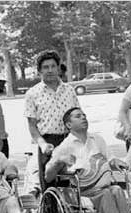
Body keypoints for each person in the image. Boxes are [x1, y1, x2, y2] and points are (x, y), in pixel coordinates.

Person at [44, 108, 131, 213]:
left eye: (84, 115)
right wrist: (59, 161)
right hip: (81, 190)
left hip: (102, 185)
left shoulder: (97, 139)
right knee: (107, 193)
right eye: (78, 116)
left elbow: (110, 159)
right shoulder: (65, 146)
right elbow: (48, 177)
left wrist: (116, 162)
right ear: (69, 125)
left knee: (116, 190)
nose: (84, 117)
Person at [24, 50, 81, 197]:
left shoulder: (69, 90)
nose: (50, 70)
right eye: (45, 67)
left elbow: (77, 117)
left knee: (71, 184)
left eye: (53, 66)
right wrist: (43, 144)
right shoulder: (32, 93)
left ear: (58, 68)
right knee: (49, 186)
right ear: (39, 71)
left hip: (68, 140)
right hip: (47, 142)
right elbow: (32, 126)